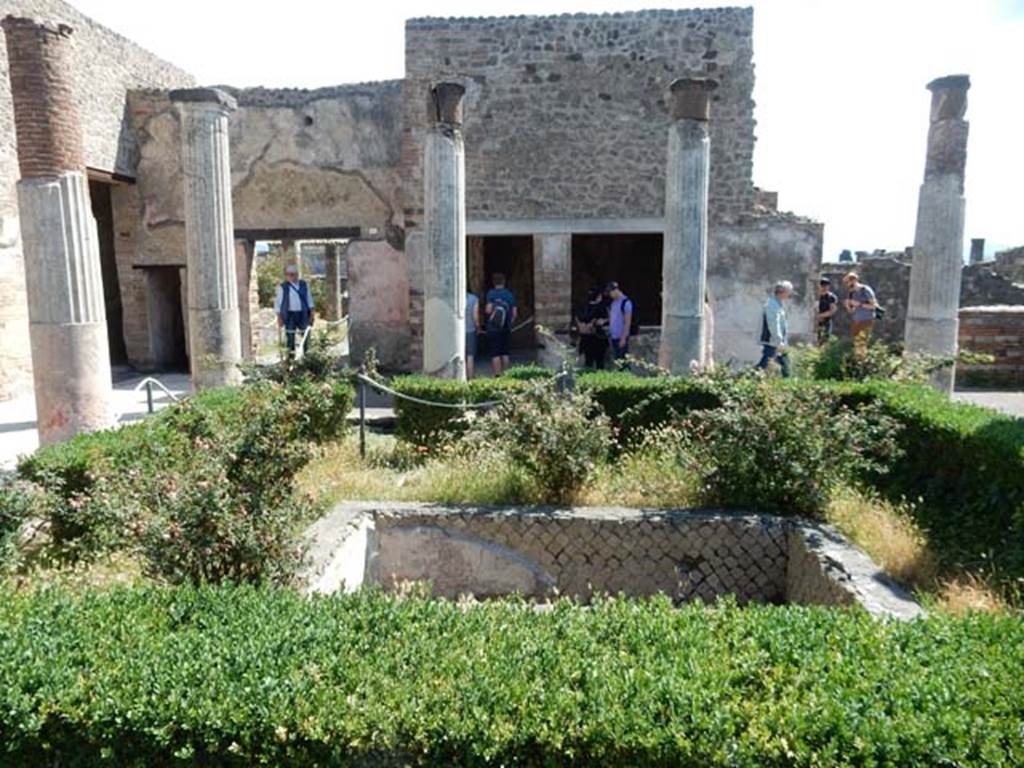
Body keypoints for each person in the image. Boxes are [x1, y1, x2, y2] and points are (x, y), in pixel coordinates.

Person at [275, 264, 314, 356]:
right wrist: (279, 317)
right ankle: (290, 358)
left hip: (303, 313)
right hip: (289, 315)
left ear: (297, 275)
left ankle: (308, 356)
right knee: (290, 337)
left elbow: (309, 299)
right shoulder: (282, 287)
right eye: (289, 274)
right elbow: (278, 303)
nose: (291, 277)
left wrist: (312, 312)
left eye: (293, 274)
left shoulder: (304, 285)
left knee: (306, 335)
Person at [756, 280, 792, 378]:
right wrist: (778, 340)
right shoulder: (772, 305)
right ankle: (752, 377)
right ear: (783, 292)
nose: (789, 294)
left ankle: (788, 381)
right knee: (766, 362)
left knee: (784, 361)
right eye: (789, 292)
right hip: (773, 340)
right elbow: (773, 324)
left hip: (778, 341)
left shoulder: (777, 304)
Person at [485, 273, 517, 375]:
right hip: (506, 327)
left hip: (493, 328)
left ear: (493, 282)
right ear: (504, 282)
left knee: (495, 353)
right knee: (505, 352)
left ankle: (497, 377)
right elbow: (515, 313)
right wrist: (509, 322)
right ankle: (507, 375)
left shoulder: (491, 293)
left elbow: (488, 310)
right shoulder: (509, 294)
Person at [842, 271, 877, 357]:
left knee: (862, 342)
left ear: (854, 280)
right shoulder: (851, 293)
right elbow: (852, 311)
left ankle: (862, 362)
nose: (847, 285)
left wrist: (860, 304)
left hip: (866, 320)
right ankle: (858, 361)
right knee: (856, 342)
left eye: (848, 282)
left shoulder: (865, 290)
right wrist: (847, 306)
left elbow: (874, 306)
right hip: (856, 321)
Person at [573, 286, 609, 369]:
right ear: (599, 296)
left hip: (585, 339)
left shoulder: (583, 307)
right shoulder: (601, 308)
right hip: (597, 338)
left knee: (588, 362)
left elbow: (577, 319)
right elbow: (604, 321)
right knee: (600, 362)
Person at [605, 281, 634, 366]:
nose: (610, 295)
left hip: (621, 337)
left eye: (610, 292)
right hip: (613, 337)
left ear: (615, 290)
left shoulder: (626, 303)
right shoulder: (613, 303)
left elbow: (627, 322)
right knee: (617, 362)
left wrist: (623, 338)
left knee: (623, 362)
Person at [817, 277, 839, 345]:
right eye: (822, 285)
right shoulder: (815, 296)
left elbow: (833, 310)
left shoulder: (831, 297)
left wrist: (820, 315)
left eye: (826, 285)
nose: (824, 287)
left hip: (826, 321)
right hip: (815, 322)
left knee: (825, 340)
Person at [465, 290, 480, 378]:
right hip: (470, 330)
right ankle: (470, 377)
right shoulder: (473, 299)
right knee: (470, 356)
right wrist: (478, 328)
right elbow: (475, 316)